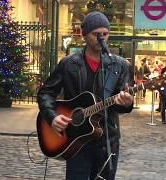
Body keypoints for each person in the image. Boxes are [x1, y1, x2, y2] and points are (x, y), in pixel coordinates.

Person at [37, 11, 133, 180]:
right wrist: (52, 117)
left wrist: (126, 103)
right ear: (84, 35)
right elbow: (46, 92)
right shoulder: (69, 64)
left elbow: (118, 104)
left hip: (107, 141)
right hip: (75, 139)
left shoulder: (119, 65)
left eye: (105, 34)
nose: (101, 39)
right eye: (96, 34)